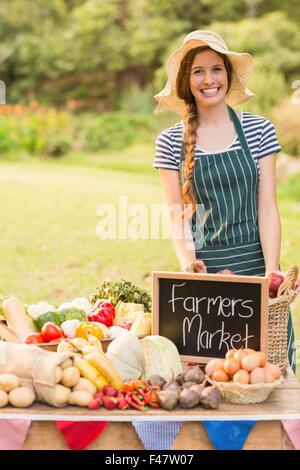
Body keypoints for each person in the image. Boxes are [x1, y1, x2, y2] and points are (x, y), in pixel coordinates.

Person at [153, 29, 299, 372]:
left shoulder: (259, 131)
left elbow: (268, 208)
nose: (208, 79)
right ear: (187, 82)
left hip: (254, 269)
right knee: (212, 374)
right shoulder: (170, 141)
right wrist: (187, 259)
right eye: (198, 71)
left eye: (216, 68)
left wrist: (272, 272)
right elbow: (178, 215)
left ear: (228, 75)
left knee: (268, 371)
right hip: (206, 278)